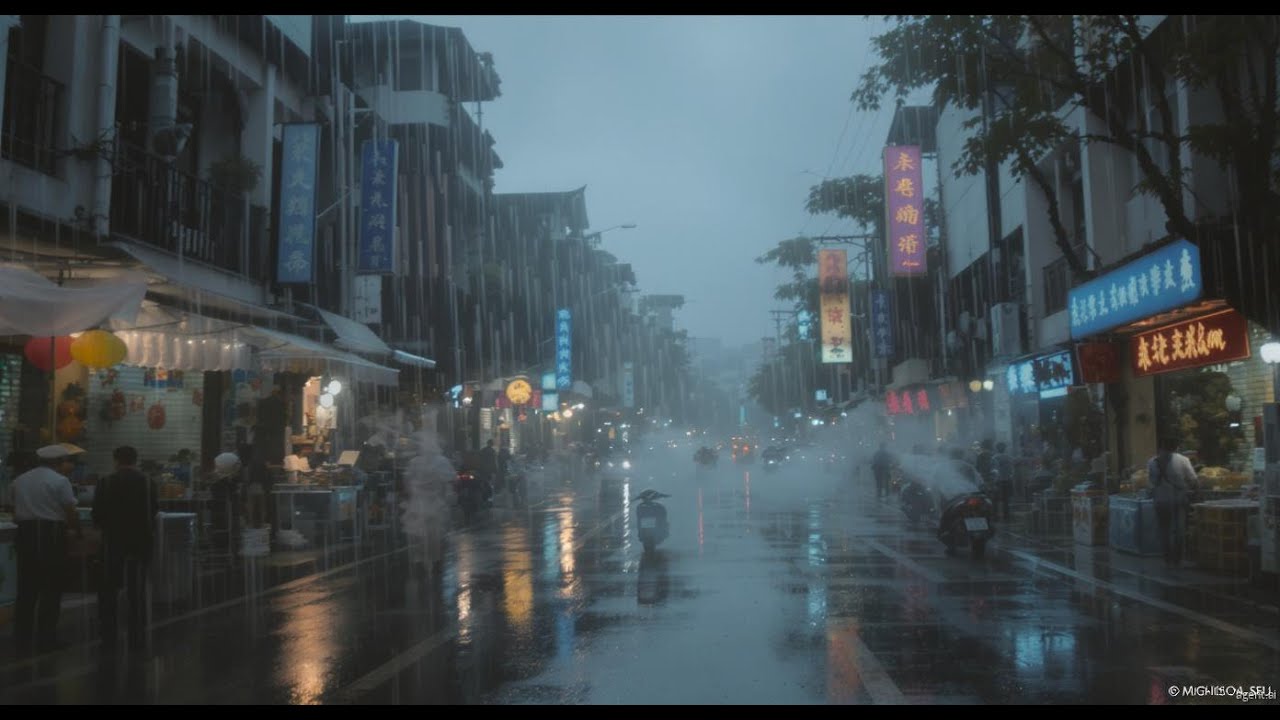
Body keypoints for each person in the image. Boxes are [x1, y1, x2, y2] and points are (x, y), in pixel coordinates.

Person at [12, 443, 83, 655]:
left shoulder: (19, 480)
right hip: (51, 536)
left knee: (26, 589)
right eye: (66, 462)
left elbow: (13, 507)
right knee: (51, 589)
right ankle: (46, 639)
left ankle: (22, 638)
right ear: (58, 463)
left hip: (25, 535)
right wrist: (77, 531)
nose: (68, 466)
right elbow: (70, 511)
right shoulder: (60, 481)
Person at [93, 445, 157, 652]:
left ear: (116, 460)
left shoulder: (105, 482)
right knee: (136, 588)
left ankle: (108, 628)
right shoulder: (148, 482)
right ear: (135, 460)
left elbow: (97, 515)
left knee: (108, 587)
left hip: (113, 541)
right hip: (140, 541)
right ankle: (136, 627)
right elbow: (153, 510)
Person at [1148, 436, 1198, 567]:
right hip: (1178, 499)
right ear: (1176, 447)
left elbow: (1152, 482)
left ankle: (1167, 557)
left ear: (1161, 447)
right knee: (1179, 528)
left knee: (1164, 529)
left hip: (1160, 500)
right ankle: (1177, 558)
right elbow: (1193, 479)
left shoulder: (1152, 462)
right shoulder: (1183, 460)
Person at [992, 442, 1016, 521]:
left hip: (998, 481)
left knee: (996, 499)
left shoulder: (994, 458)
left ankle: (996, 516)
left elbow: (994, 471)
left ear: (997, 448)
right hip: (1007, 480)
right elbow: (1012, 470)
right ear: (1004, 448)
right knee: (1006, 499)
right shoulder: (1009, 458)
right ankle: (1006, 515)